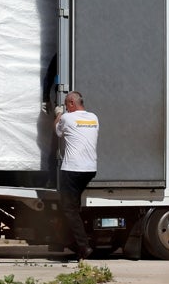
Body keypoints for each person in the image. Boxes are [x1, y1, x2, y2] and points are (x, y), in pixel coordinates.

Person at [54, 91, 99, 259]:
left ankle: (83, 246)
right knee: (74, 206)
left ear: (72, 103)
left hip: (72, 169)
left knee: (68, 209)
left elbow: (58, 132)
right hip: (89, 169)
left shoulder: (67, 117)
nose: (66, 106)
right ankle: (76, 242)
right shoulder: (94, 117)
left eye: (66, 104)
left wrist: (58, 114)